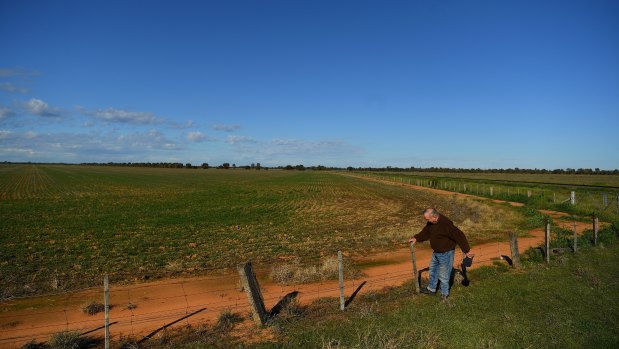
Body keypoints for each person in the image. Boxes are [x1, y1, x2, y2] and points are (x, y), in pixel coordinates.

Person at [409, 208, 474, 300]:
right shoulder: (431, 223)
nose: (426, 221)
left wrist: (467, 251)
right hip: (436, 253)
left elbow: (460, 235)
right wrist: (417, 238)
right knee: (433, 270)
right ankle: (431, 289)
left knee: (444, 275)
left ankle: (445, 294)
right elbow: (426, 232)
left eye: (427, 219)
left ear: (434, 217)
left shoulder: (446, 224)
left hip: (446, 253)